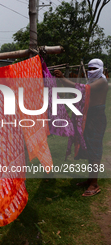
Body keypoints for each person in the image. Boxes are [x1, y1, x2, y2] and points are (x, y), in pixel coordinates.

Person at [53, 58, 109, 197]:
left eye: (93, 69)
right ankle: (90, 179)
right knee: (89, 147)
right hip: (88, 117)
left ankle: (94, 184)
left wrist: (63, 78)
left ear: (101, 69)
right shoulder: (92, 81)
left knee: (95, 148)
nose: (90, 72)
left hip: (96, 119)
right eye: (89, 69)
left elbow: (82, 89)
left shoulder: (101, 81)